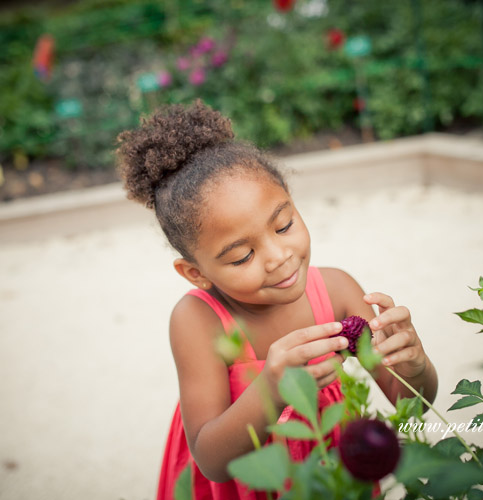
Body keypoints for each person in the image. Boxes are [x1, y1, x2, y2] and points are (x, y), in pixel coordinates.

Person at [115, 100, 438, 499]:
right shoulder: (198, 320)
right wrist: (270, 389)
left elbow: (413, 408)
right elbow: (211, 461)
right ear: (195, 273)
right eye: (242, 256)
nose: (278, 256)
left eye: (284, 225)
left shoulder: (337, 291)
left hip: (332, 478)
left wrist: (415, 364)